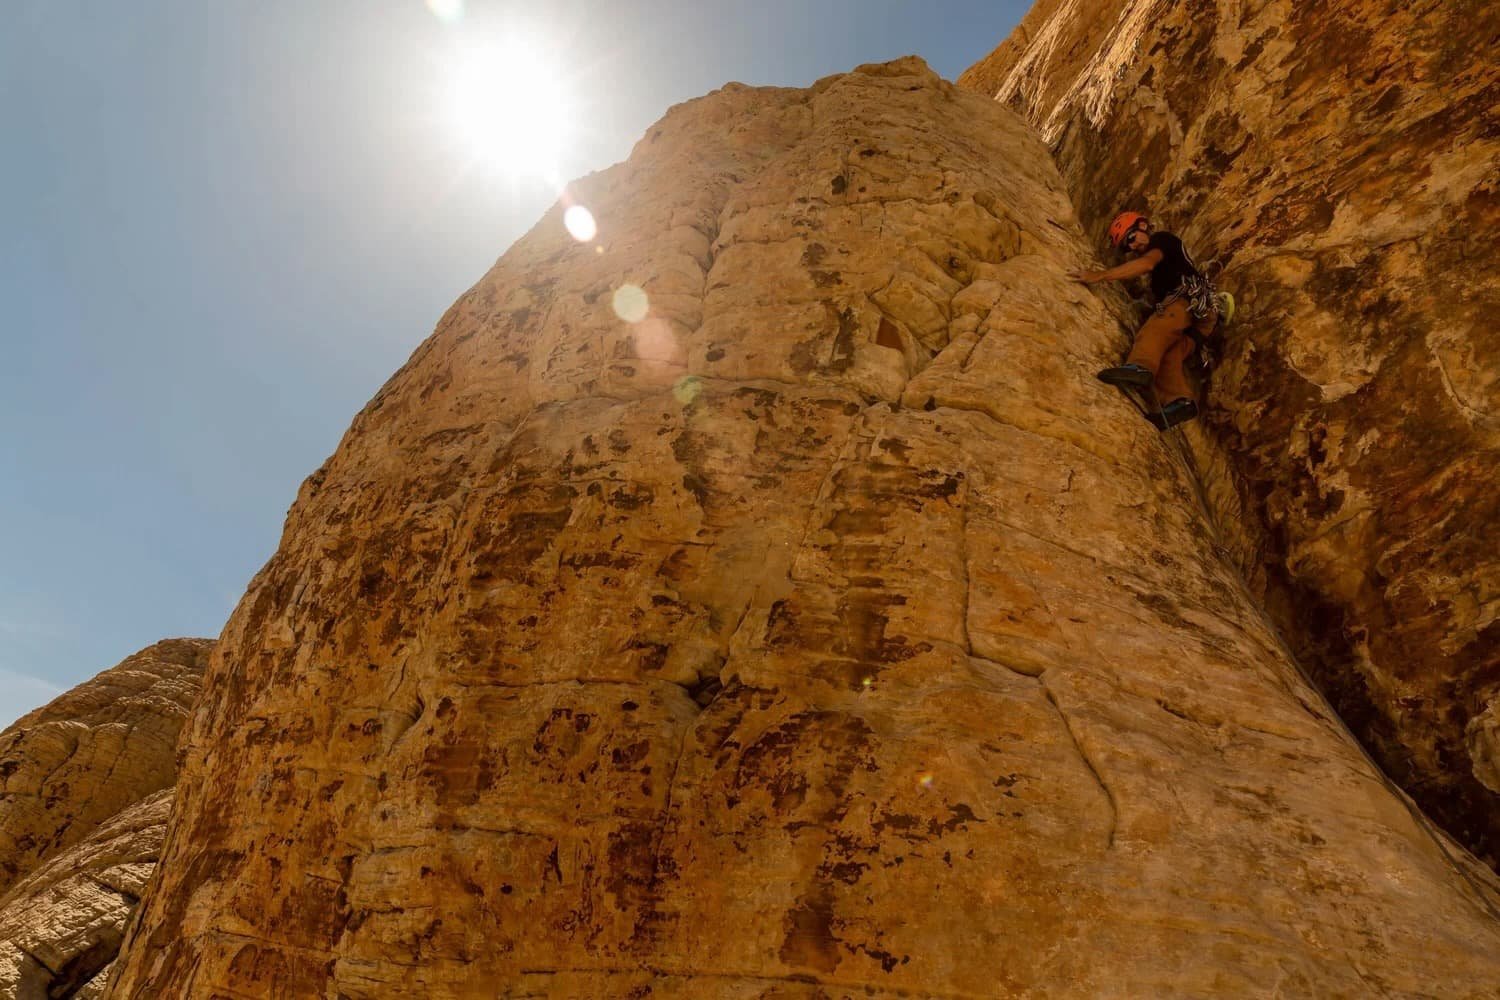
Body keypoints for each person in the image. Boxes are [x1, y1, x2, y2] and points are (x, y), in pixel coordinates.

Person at [1069, 212, 1221, 429]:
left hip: (1187, 300)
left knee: (1154, 329)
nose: (1132, 247)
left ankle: (1139, 367)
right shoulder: (1163, 273)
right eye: (1126, 247)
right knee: (1169, 353)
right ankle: (1180, 402)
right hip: (1200, 322)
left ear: (1142, 225)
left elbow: (1148, 263)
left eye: (1131, 238)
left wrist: (1100, 275)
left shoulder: (1161, 240)